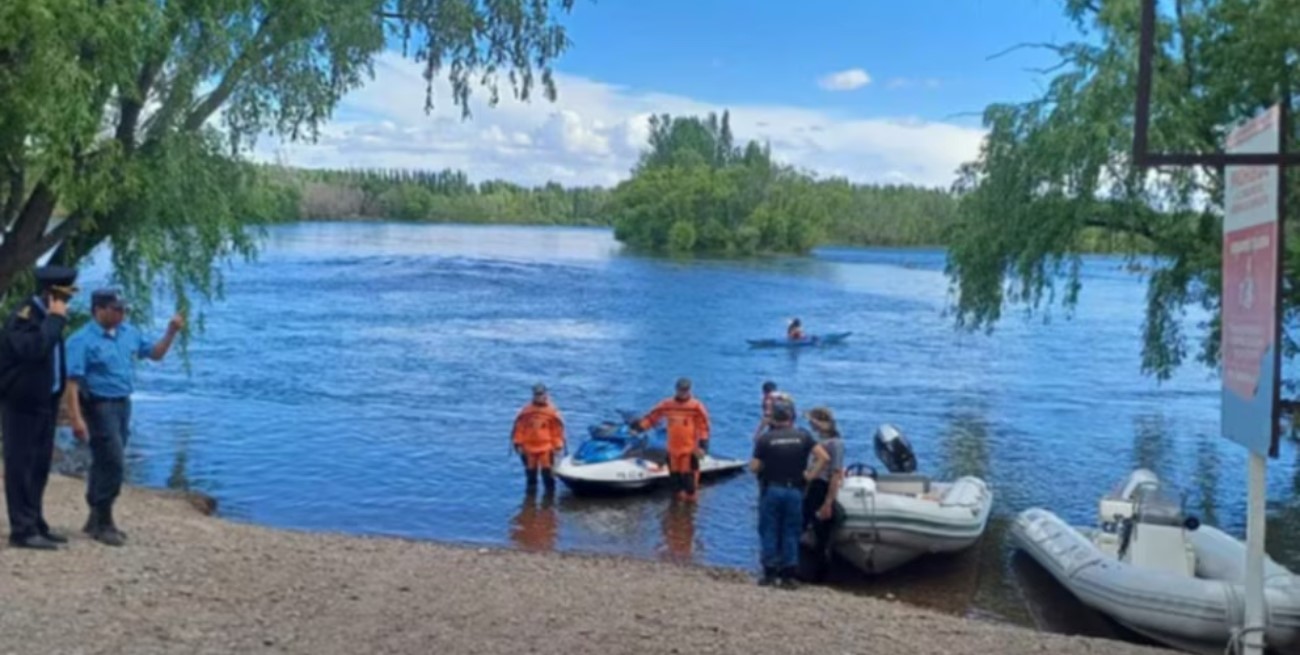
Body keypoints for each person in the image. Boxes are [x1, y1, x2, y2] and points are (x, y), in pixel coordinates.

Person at [63, 289, 183, 546]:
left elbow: (155, 354)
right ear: (98, 310)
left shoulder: (129, 333)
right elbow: (71, 383)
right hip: (99, 405)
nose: (122, 314)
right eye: (116, 309)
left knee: (104, 461)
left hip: (123, 403)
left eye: (123, 309)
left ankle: (95, 518)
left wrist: (171, 332)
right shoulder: (81, 340)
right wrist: (75, 418)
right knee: (114, 461)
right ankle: (105, 521)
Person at [0, 265, 78, 550]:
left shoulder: (47, 319)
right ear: (49, 294)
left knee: (39, 466)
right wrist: (55, 320)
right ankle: (22, 530)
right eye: (63, 298)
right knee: (21, 466)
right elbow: (34, 350)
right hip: (21, 403)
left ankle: (35, 521)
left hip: (45, 402)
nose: (67, 303)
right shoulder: (24, 318)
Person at [751, 398, 827, 588]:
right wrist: (810, 476)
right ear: (792, 417)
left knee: (769, 529)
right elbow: (824, 457)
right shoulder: (803, 436)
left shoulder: (766, 439)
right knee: (791, 531)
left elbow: (754, 467)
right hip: (795, 489)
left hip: (772, 488)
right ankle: (788, 575)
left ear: (774, 419)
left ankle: (769, 573)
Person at [633, 378, 710, 502]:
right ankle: (676, 510)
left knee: (689, 485)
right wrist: (639, 428)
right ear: (676, 389)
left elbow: (704, 426)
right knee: (675, 484)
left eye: (685, 390)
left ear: (690, 390)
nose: (683, 392)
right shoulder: (667, 404)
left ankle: (690, 509)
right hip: (673, 451)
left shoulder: (696, 406)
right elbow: (653, 417)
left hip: (689, 451)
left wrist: (703, 445)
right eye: (681, 389)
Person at [801, 406, 846, 582]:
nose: (811, 425)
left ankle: (820, 574)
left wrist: (828, 502)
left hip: (822, 486)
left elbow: (836, 473)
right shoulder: (822, 441)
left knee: (821, 532)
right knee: (807, 526)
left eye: (813, 421)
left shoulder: (835, 443)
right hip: (814, 486)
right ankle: (806, 568)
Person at [511, 383, 565, 494]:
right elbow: (520, 428)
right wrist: (518, 443)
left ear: (545, 394)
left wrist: (558, 446)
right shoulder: (526, 411)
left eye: (540, 394)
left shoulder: (551, 412)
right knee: (531, 477)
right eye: (536, 394)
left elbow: (557, 431)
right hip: (529, 448)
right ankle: (530, 501)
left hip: (546, 448)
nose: (538, 396)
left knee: (548, 476)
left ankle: (549, 501)